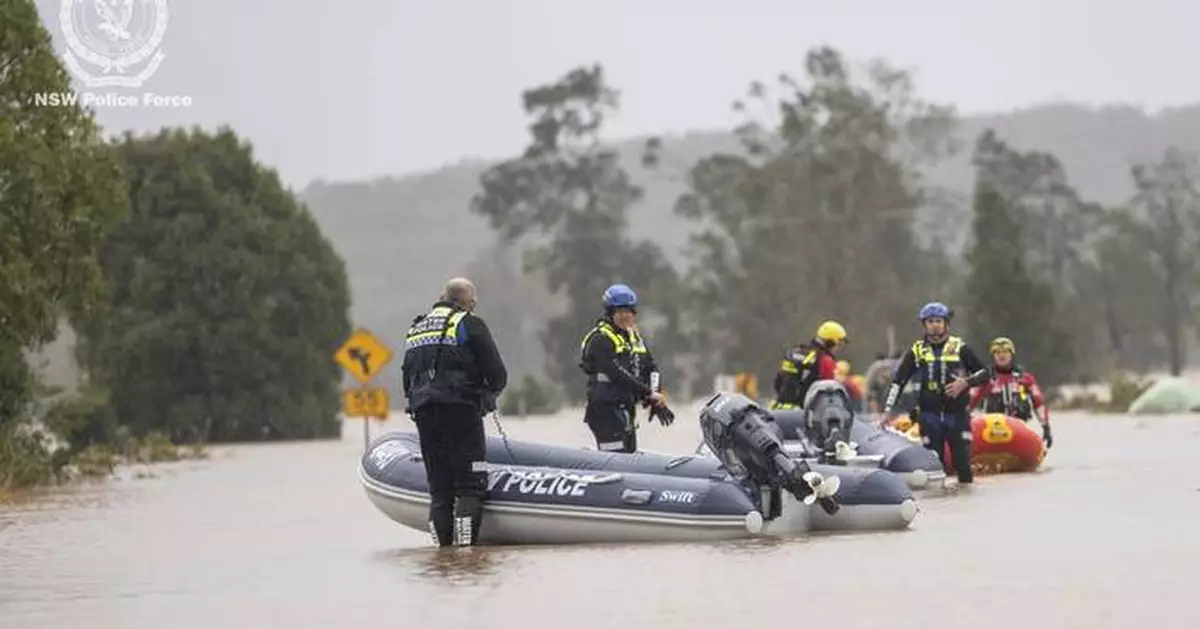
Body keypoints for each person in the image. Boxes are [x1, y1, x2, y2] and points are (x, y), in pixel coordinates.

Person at [402, 277, 508, 548]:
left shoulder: (416, 328)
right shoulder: (469, 324)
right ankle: (465, 554)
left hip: (424, 414)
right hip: (462, 412)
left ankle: (442, 555)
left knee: (439, 492)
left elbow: (407, 376)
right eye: (473, 303)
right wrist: (487, 397)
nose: (474, 307)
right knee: (471, 486)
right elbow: (497, 374)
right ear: (466, 302)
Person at [882, 302, 990, 485]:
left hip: (956, 414)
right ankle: (939, 503)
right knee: (934, 464)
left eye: (939, 321)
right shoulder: (917, 351)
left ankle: (965, 504)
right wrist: (887, 411)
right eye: (930, 321)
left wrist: (965, 382)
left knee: (962, 463)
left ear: (946, 323)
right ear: (924, 325)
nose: (935, 325)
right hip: (928, 415)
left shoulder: (959, 347)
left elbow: (985, 373)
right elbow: (898, 381)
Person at [579, 283, 671, 453]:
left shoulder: (633, 338)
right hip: (605, 411)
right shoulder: (600, 339)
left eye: (629, 311)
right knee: (615, 458)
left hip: (626, 410)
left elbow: (651, 368)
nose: (625, 316)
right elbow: (615, 373)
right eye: (620, 312)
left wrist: (655, 398)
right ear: (610, 313)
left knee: (629, 455)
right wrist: (648, 393)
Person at [969, 337, 1053, 448]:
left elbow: (1039, 403)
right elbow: (969, 402)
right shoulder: (985, 378)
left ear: (1011, 354)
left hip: (1018, 430)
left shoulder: (1025, 379)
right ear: (993, 356)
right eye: (997, 352)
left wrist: (1046, 427)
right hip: (992, 431)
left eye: (1005, 352)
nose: (1001, 356)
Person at [770, 321, 848, 410]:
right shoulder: (825, 360)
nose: (838, 349)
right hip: (803, 414)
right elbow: (828, 391)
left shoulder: (796, 352)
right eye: (839, 344)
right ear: (831, 342)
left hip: (778, 409)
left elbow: (778, 380)